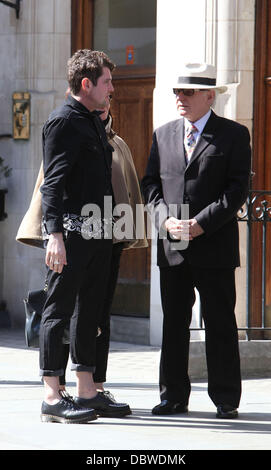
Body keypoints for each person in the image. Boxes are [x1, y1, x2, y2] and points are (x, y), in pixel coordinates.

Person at [142, 63, 251, 419]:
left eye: (187, 92)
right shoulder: (163, 134)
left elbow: (237, 190)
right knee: (174, 324)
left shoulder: (234, 135)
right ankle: (173, 396)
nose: (180, 97)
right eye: (177, 91)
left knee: (220, 322)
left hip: (214, 246)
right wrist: (166, 220)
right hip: (173, 247)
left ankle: (225, 398)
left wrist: (201, 225)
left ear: (209, 96)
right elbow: (151, 186)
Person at [37, 48, 130, 424]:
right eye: (107, 82)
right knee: (57, 312)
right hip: (72, 234)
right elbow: (52, 185)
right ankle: (52, 395)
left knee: (90, 311)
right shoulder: (63, 122)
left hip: (99, 232)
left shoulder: (92, 120)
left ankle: (87, 390)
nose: (112, 89)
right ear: (87, 84)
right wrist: (54, 235)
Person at [58, 102, 148, 399]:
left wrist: (128, 231)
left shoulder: (118, 144)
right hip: (76, 237)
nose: (105, 106)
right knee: (69, 309)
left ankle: (97, 385)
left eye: (109, 102)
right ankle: (59, 385)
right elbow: (52, 186)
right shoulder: (73, 135)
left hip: (111, 241)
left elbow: (128, 190)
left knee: (100, 312)